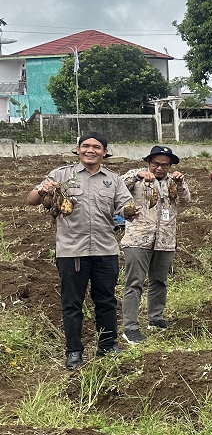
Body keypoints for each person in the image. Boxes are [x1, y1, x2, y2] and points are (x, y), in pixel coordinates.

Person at [26, 132, 134, 369]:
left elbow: (124, 206)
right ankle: (74, 351)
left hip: (105, 249)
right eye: (86, 146)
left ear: (105, 152)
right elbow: (32, 199)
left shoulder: (113, 180)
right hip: (71, 251)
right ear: (77, 149)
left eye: (97, 147)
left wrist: (130, 211)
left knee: (105, 300)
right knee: (72, 303)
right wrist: (44, 190)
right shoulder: (61, 175)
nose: (91, 150)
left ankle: (107, 345)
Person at [120, 144, 191, 344]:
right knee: (134, 282)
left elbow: (187, 200)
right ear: (148, 163)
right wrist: (138, 175)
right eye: (155, 164)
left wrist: (181, 182)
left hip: (165, 239)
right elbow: (117, 187)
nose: (159, 168)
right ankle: (131, 327)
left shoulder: (172, 182)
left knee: (159, 281)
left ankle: (156, 318)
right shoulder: (136, 177)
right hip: (138, 238)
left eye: (164, 165)